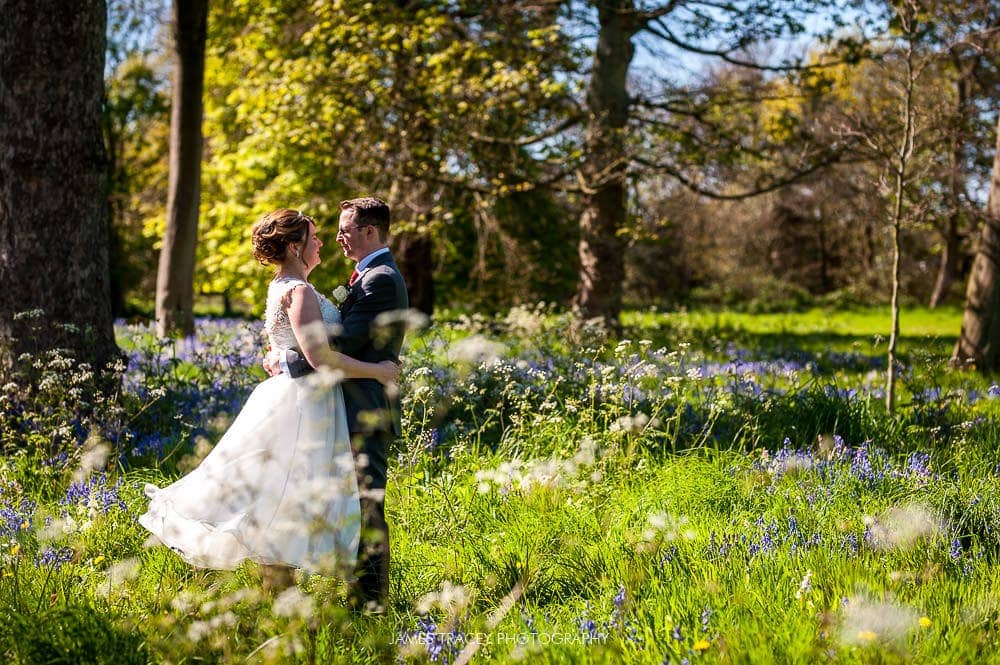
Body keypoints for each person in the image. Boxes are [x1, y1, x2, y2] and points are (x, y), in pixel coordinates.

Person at [139, 208, 399, 585]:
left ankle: (279, 591)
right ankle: (284, 592)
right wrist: (380, 370)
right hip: (305, 405)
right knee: (290, 494)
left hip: (294, 397)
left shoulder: (282, 286)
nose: (322, 242)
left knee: (281, 493)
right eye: (314, 237)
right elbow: (320, 357)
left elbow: (284, 342)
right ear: (295, 246)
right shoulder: (298, 291)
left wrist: (280, 356)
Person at [279, 197, 409, 614]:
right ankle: (358, 595)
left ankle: (372, 604)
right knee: (354, 504)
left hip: (365, 409)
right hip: (348, 406)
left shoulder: (381, 279)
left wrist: (286, 359)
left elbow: (344, 343)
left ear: (370, 232)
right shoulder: (367, 276)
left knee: (368, 506)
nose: (337, 238)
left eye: (345, 230)